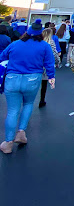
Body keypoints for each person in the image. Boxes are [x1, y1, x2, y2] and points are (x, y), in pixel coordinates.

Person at [0, 19, 55, 154]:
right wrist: (51, 77)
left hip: (13, 78)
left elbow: (2, 56)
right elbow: (49, 63)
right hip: (32, 79)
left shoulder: (15, 44)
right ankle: (21, 133)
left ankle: (8, 143)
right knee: (28, 104)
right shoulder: (44, 46)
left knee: (13, 110)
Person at [39, 28, 60, 107]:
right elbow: (54, 53)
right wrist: (58, 62)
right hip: (46, 65)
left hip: (38, 64)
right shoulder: (51, 42)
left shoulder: (39, 42)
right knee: (44, 84)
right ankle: (42, 99)